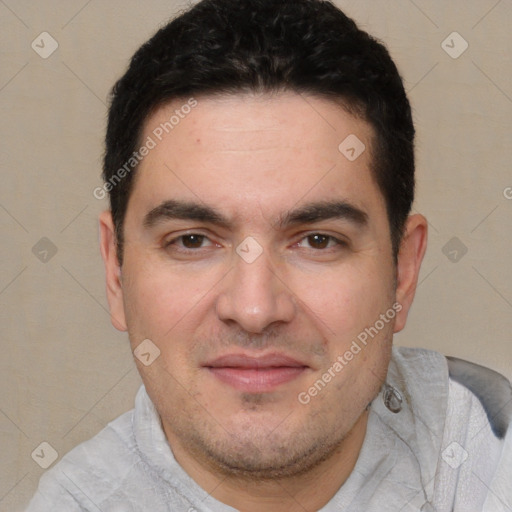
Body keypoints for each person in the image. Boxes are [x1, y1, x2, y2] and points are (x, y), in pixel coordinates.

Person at [27, 0, 512, 510]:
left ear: (403, 272)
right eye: (192, 240)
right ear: (115, 269)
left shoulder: (487, 453)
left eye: (317, 240)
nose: (254, 310)